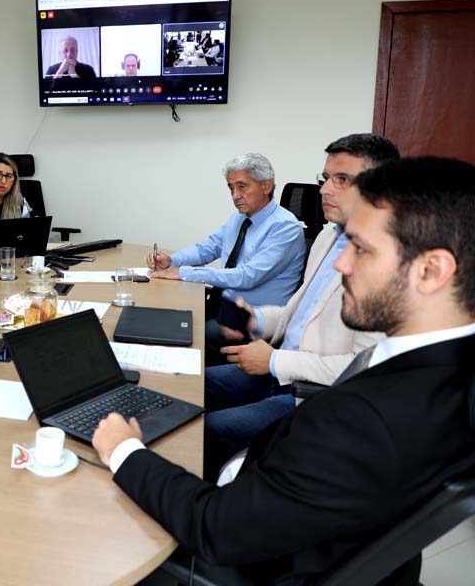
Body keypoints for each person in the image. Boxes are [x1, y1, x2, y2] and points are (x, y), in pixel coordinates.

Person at [93, 156, 475, 585]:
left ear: (432, 270)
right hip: (294, 514)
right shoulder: (443, 373)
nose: (340, 263)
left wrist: (124, 452)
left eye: (361, 248)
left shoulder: (365, 420)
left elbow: (216, 528)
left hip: (249, 554)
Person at [204, 134, 399, 473]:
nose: (324, 190)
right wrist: (257, 321)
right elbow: (297, 313)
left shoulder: (389, 263)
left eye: (342, 180)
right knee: (189, 383)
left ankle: (212, 509)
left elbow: (364, 369)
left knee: (205, 430)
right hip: (276, 368)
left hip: (311, 395)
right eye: (325, 179)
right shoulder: (328, 236)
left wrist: (277, 360)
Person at [148, 153, 306, 362]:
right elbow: (209, 247)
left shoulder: (285, 227)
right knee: (161, 321)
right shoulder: (240, 218)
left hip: (252, 320)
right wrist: (172, 261)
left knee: (181, 337)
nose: (235, 195)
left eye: (242, 186)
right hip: (223, 306)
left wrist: (185, 273)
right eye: (231, 188)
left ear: (266, 186)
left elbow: (248, 276)